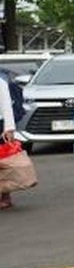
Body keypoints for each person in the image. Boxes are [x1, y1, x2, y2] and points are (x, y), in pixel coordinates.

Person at [1, 67, 17, 209]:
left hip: (0, 126)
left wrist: (9, 128)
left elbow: (7, 106)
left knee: (3, 163)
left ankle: (5, 195)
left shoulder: (1, 82)